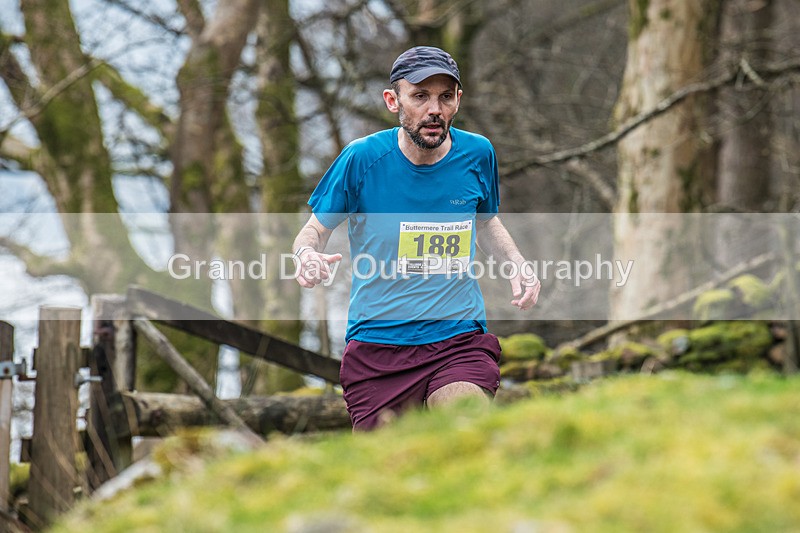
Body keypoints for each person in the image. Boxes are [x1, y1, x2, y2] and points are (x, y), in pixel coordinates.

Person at [291, 45, 540, 430]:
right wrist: (306, 256)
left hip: (457, 338)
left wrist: (516, 263)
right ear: (394, 100)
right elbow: (313, 231)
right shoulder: (362, 159)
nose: (434, 109)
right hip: (379, 347)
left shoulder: (478, 154)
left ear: (458, 100)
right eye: (420, 96)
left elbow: (484, 221)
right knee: (391, 461)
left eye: (445, 97)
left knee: (464, 423)